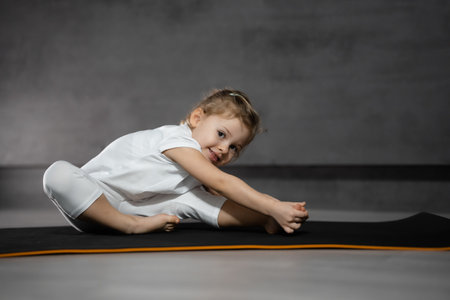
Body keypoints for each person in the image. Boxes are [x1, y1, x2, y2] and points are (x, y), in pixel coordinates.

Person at [43, 89, 309, 234]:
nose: (224, 148)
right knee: (58, 173)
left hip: (135, 207)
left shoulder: (200, 168)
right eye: (221, 134)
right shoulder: (177, 139)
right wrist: (273, 203)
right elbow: (222, 181)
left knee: (199, 200)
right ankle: (130, 227)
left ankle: (264, 221)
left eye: (234, 148)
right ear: (196, 118)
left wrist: (269, 213)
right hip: (94, 203)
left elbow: (221, 196)